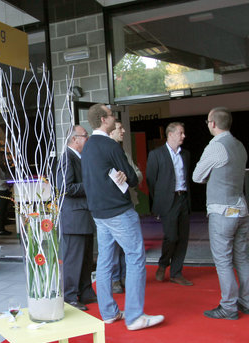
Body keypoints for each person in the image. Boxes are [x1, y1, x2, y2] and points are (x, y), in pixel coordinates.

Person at [81, 103, 164, 331]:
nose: (114, 118)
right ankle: (135, 316)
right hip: (118, 211)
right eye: (111, 115)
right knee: (135, 257)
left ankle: (108, 313)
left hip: (99, 214)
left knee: (106, 262)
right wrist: (125, 176)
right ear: (103, 119)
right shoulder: (110, 145)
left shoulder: (87, 147)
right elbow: (134, 179)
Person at [193, 107, 249, 320]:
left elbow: (198, 176)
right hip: (242, 209)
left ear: (213, 123)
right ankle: (246, 301)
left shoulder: (215, 147)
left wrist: (212, 177)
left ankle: (228, 306)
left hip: (222, 211)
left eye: (208, 121)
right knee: (242, 258)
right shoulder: (240, 145)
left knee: (223, 260)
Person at [146, 122, 192, 286]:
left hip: (183, 198)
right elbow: (151, 180)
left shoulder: (185, 154)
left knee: (183, 238)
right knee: (171, 236)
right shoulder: (156, 154)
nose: (183, 136)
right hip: (168, 201)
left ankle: (176, 273)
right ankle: (163, 263)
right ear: (170, 134)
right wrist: (159, 201)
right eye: (181, 133)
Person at [56, 125, 97, 311]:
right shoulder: (67, 158)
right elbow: (66, 187)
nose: (87, 139)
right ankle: (70, 297)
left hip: (84, 215)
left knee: (86, 258)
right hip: (74, 218)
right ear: (74, 139)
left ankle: (86, 291)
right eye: (85, 136)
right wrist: (91, 185)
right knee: (73, 260)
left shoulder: (80, 157)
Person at [109, 120, 143, 294]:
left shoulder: (124, 152)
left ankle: (124, 277)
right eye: (119, 128)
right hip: (114, 205)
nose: (123, 131)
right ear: (110, 131)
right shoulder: (106, 152)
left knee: (127, 245)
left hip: (129, 202)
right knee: (114, 245)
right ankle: (115, 279)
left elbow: (137, 173)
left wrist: (128, 178)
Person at [0, 151, 12, 235]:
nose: (6, 158)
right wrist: (8, 182)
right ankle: (1, 229)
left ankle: (2, 228)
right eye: (4, 156)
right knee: (1, 210)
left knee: (4, 210)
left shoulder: (2, 166)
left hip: (4, 189)